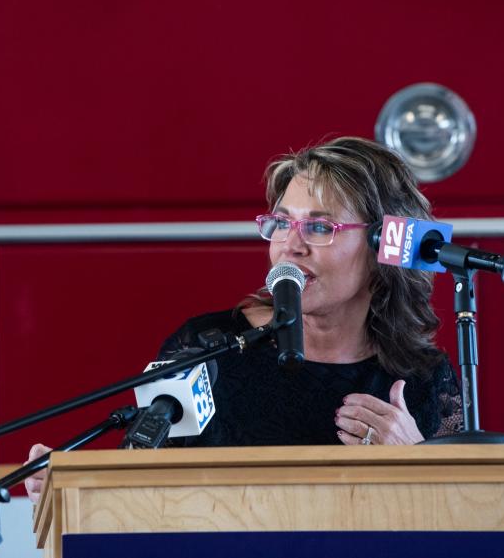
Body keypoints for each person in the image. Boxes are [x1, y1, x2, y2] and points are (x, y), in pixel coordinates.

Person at [25, 136, 462, 502]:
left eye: (320, 227)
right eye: (281, 222)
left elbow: (461, 527)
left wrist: (416, 463)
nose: (290, 245)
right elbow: (142, 493)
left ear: (382, 247)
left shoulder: (422, 378)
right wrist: (73, 489)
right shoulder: (206, 346)